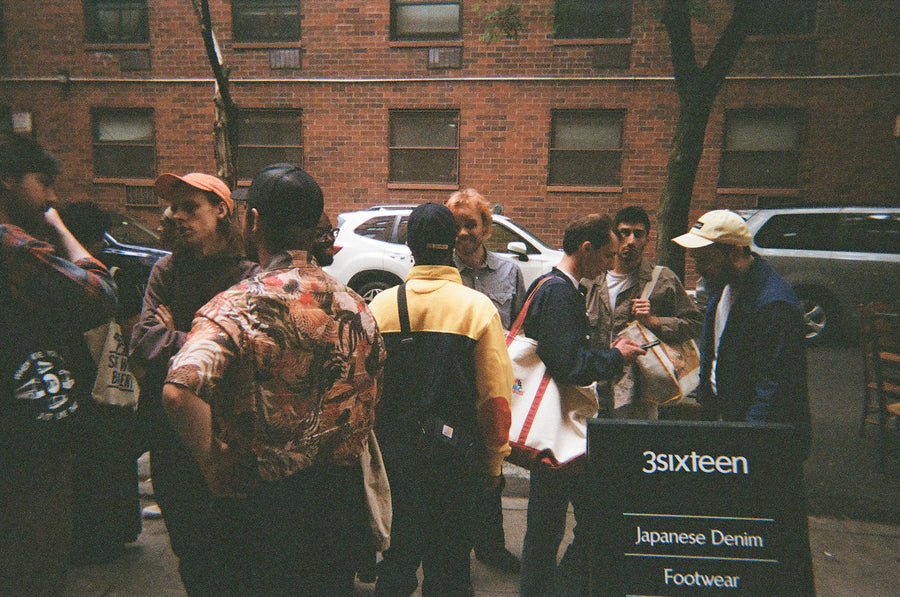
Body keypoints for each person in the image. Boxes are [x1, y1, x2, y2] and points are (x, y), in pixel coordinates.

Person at [162, 163, 385, 596]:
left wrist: (211, 459)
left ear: (254, 220)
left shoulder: (238, 305)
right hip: (337, 508)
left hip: (260, 512)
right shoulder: (357, 305)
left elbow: (179, 390)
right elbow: (372, 392)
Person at [369, 202, 514, 597]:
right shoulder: (477, 309)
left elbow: (367, 393)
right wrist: (493, 463)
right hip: (456, 463)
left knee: (396, 566)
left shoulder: (380, 307)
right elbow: (495, 399)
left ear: (408, 244)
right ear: (453, 241)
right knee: (450, 572)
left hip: (395, 462)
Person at [129, 172, 258, 596]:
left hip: (228, 429)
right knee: (188, 543)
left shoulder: (248, 273)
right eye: (174, 208)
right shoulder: (166, 269)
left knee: (235, 540)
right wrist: (213, 343)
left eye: (191, 207)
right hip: (168, 429)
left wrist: (180, 334)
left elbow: (250, 354)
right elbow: (146, 342)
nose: (177, 216)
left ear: (222, 210)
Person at [0, 134, 118, 595]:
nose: (51, 197)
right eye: (42, 182)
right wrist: (63, 229)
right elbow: (98, 296)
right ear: (8, 179)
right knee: (34, 558)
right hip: (26, 434)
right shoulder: (14, 246)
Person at [518, 214, 645, 597]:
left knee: (546, 524)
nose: (610, 263)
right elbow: (570, 364)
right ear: (586, 249)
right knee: (591, 523)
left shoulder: (546, 285)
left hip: (553, 428)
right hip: (561, 431)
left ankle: (540, 589)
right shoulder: (560, 291)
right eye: (605, 255)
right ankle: (558, 587)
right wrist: (615, 356)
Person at [672, 209, 810, 452]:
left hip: (760, 439)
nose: (698, 269)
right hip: (731, 422)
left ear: (735, 252)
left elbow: (774, 385)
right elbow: (714, 354)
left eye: (704, 260)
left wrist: (745, 444)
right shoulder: (724, 288)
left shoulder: (774, 304)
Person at [58, 201, 142, 564]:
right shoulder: (116, 273)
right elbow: (132, 327)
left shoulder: (59, 272)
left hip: (75, 379)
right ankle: (116, 531)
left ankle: (86, 536)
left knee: (86, 462)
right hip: (109, 377)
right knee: (113, 459)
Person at [445, 188, 523, 573]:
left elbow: (522, 330)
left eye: (470, 225)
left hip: (496, 385)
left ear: (486, 227)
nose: (463, 233)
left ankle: (491, 546)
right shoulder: (444, 274)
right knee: (460, 467)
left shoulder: (509, 271)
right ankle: (457, 547)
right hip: (457, 386)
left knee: (495, 467)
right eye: (456, 226)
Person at [584, 205, 702, 419]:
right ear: (613, 235)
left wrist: (655, 321)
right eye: (624, 233)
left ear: (647, 239)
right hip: (593, 389)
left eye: (638, 234)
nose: (630, 241)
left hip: (638, 396)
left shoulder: (662, 279)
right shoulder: (593, 279)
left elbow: (694, 324)